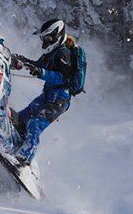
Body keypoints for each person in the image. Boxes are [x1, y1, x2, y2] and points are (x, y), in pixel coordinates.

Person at [9, 19, 85, 166]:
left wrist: (42, 72)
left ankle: (24, 158)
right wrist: (22, 61)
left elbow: (64, 77)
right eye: (43, 38)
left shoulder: (63, 54)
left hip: (60, 98)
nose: (45, 42)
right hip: (48, 95)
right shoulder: (52, 53)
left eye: (48, 38)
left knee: (35, 124)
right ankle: (12, 143)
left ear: (56, 35)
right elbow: (39, 66)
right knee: (22, 118)